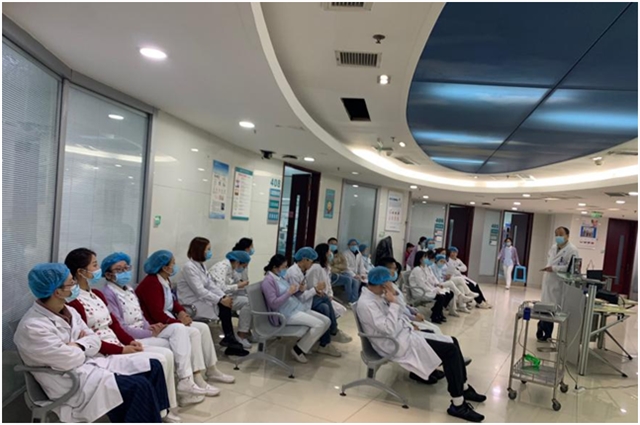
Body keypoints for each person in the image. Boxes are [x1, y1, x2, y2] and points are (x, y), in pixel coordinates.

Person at [14, 263, 170, 423]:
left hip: (91, 365)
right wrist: (83, 344)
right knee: (138, 386)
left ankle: (156, 417)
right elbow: (68, 360)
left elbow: (95, 339)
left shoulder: (69, 311)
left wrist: (77, 345)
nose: (75, 285)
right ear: (58, 292)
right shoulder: (33, 327)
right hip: (71, 382)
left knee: (153, 366)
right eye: (71, 282)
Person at [63, 248, 181, 422]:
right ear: (80, 272)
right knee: (158, 361)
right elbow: (89, 339)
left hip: (117, 345)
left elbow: (114, 324)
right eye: (94, 265)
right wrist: (122, 349)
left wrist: (130, 342)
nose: (98, 269)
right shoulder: (74, 302)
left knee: (159, 361)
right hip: (102, 352)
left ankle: (161, 411)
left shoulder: (97, 294)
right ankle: (158, 412)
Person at [357, 267, 486, 422]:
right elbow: (388, 328)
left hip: (405, 335)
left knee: (453, 341)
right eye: (389, 283)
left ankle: (463, 388)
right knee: (450, 351)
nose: (391, 286)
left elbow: (398, 316)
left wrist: (406, 317)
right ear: (383, 284)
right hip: (394, 345)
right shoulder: (367, 304)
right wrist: (393, 304)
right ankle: (457, 404)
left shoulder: (378, 296)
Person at [100, 252, 208, 406]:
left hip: (145, 331)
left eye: (126, 268)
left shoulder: (129, 289)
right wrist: (149, 332)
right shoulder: (108, 293)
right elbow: (121, 326)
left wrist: (150, 326)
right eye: (119, 270)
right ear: (108, 275)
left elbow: (141, 316)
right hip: (131, 339)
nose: (124, 272)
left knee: (179, 330)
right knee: (175, 345)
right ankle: (176, 394)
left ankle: (187, 380)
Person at [136, 249, 236, 396]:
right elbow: (156, 313)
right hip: (158, 324)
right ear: (165, 267)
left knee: (203, 328)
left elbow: (173, 301)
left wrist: (182, 312)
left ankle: (212, 369)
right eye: (173, 264)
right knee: (194, 332)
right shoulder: (151, 283)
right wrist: (178, 321)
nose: (175, 266)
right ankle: (196, 377)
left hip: (170, 320)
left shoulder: (164, 280)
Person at [175, 237, 248, 356]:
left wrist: (223, 297)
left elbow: (210, 285)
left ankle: (230, 340)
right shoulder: (189, 267)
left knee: (226, 304)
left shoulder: (201, 265)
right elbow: (200, 291)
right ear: (200, 250)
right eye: (208, 249)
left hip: (202, 299)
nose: (210, 252)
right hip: (191, 303)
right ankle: (230, 340)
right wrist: (220, 300)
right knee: (223, 306)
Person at [261, 254, 330, 364]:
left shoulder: (279, 277)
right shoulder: (268, 281)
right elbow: (273, 304)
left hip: (296, 307)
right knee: (319, 324)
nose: (286, 269)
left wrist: (299, 290)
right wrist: (289, 292)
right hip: (285, 314)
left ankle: (305, 345)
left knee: (326, 321)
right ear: (275, 267)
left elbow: (290, 292)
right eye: (284, 267)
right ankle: (298, 350)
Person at [285, 247, 341, 357]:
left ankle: (325, 342)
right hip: (296, 305)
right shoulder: (293, 273)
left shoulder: (301, 271)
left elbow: (302, 291)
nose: (312, 264)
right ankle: (332, 332)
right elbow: (299, 298)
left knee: (324, 307)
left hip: (303, 301)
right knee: (325, 299)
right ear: (304, 259)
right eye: (311, 261)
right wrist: (315, 290)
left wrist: (316, 291)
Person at [537, 227, 580, 342]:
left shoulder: (572, 250)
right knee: (545, 307)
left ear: (567, 236)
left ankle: (546, 333)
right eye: (556, 234)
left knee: (552, 310)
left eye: (561, 234)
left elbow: (571, 267)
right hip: (548, 280)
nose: (558, 237)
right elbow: (550, 261)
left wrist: (555, 268)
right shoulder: (553, 247)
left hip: (559, 283)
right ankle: (542, 330)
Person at [207, 250, 253, 348]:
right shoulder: (222, 267)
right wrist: (238, 286)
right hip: (215, 299)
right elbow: (220, 288)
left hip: (224, 296)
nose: (243, 269)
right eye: (243, 266)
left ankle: (244, 332)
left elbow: (236, 280)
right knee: (246, 303)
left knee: (249, 301)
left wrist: (241, 284)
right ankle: (238, 336)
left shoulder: (231, 268)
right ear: (237, 262)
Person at [306, 243, 352, 341]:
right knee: (325, 308)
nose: (331, 253)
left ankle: (331, 331)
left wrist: (330, 294)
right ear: (324, 253)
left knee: (341, 309)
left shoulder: (326, 267)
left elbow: (328, 284)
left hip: (325, 296)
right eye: (329, 251)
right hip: (316, 297)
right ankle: (332, 332)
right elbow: (312, 286)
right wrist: (322, 293)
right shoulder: (315, 268)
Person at [409, 251, 456, 323]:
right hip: (420, 291)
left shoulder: (425, 268)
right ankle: (435, 316)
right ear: (420, 259)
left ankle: (438, 311)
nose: (426, 259)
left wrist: (436, 285)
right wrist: (433, 290)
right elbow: (421, 284)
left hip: (428, 289)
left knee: (450, 293)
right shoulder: (417, 270)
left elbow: (431, 279)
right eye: (425, 257)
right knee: (441, 297)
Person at [327, 237, 360, 304]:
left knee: (355, 281)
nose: (334, 245)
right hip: (332, 274)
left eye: (335, 244)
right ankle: (348, 301)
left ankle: (354, 301)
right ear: (328, 244)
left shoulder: (339, 254)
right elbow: (329, 267)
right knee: (348, 279)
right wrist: (338, 267)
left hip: (341, 272)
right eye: (332, 244)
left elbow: (344, 265)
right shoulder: (326, 254)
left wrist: (335, 267)